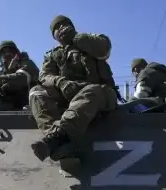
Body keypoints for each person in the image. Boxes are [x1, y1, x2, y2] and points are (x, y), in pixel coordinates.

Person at [29, 15, 117, 161]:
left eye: (64, 24)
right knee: (36, 92)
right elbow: (44, 76)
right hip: (70, 94)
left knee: (92, 91)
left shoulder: (91, 40)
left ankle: (57, 136)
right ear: (54, 36)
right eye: (56, 28)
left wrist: (77, 37)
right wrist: (60, 82)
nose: (61, 28)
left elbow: (103, 49)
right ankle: (60, 142)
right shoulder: (53, 55)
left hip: (101, 94)